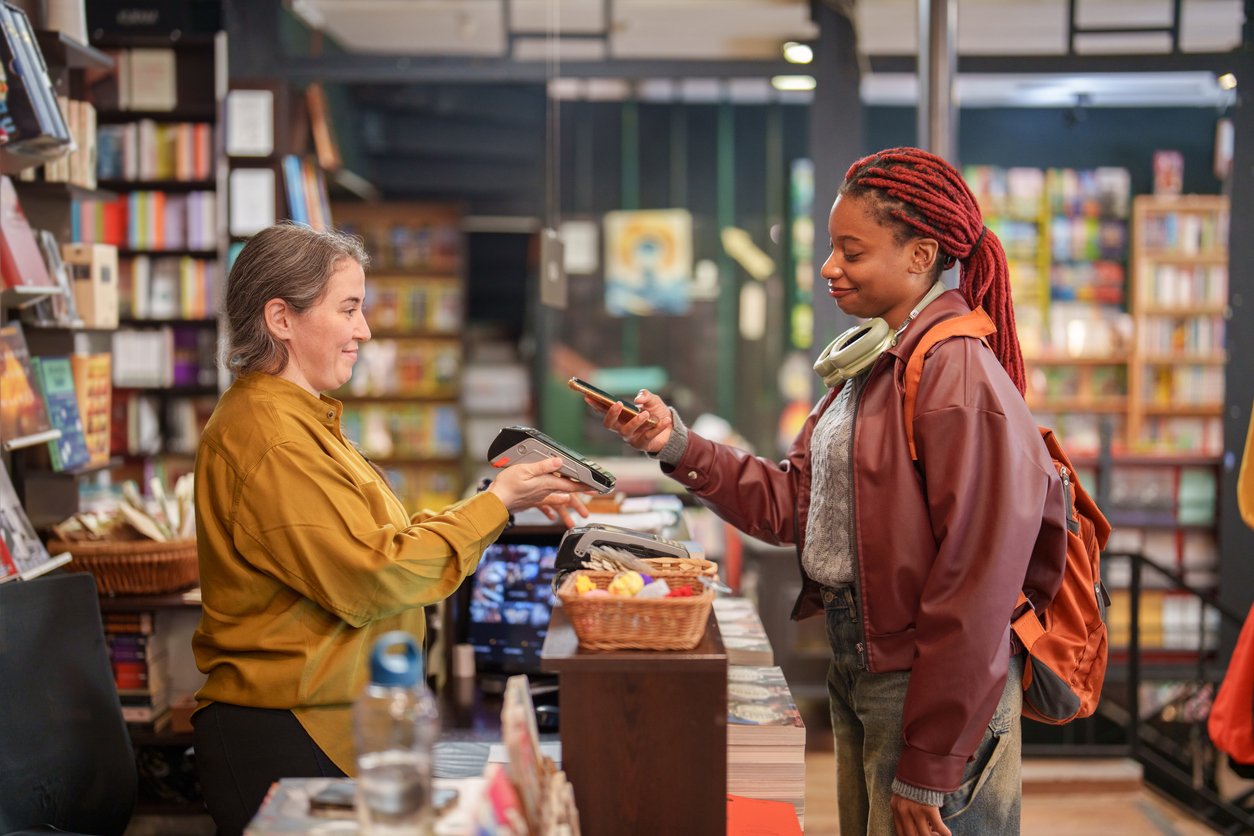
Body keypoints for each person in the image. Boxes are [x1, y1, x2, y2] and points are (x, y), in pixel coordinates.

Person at [591, 147, 1069, 836]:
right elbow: (799, 508)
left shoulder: (955, 377)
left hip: (929, 692)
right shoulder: (878, 362)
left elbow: (978, 587)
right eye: (831, 248)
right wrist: (676, 444)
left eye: (852, 250)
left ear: (920, 255)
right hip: (870, 671)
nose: (828, 267)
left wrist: (931, 762)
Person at [192, 222, 589, 835]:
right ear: (281, 318)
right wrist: (497, 505)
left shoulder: (301, 423)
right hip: (290, 733)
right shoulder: (271, 439)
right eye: (348, 309)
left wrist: (498, 500)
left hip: (331, 721)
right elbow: (378, 575)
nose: (364, 330)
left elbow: (383, 542)